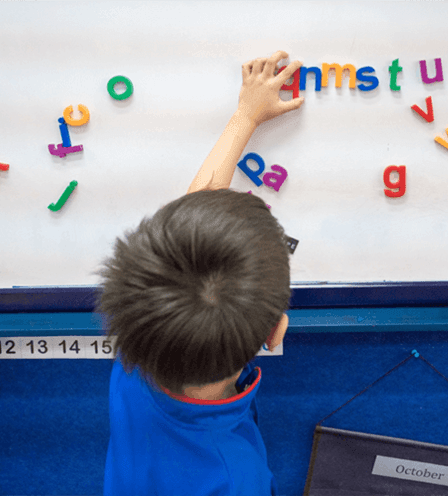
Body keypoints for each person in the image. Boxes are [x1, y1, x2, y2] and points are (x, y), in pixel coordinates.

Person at [96, 51, 304, 496]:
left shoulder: (143, 352)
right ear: (275, 332)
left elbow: (193, 219)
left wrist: (244, 117)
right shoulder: (235, 478)